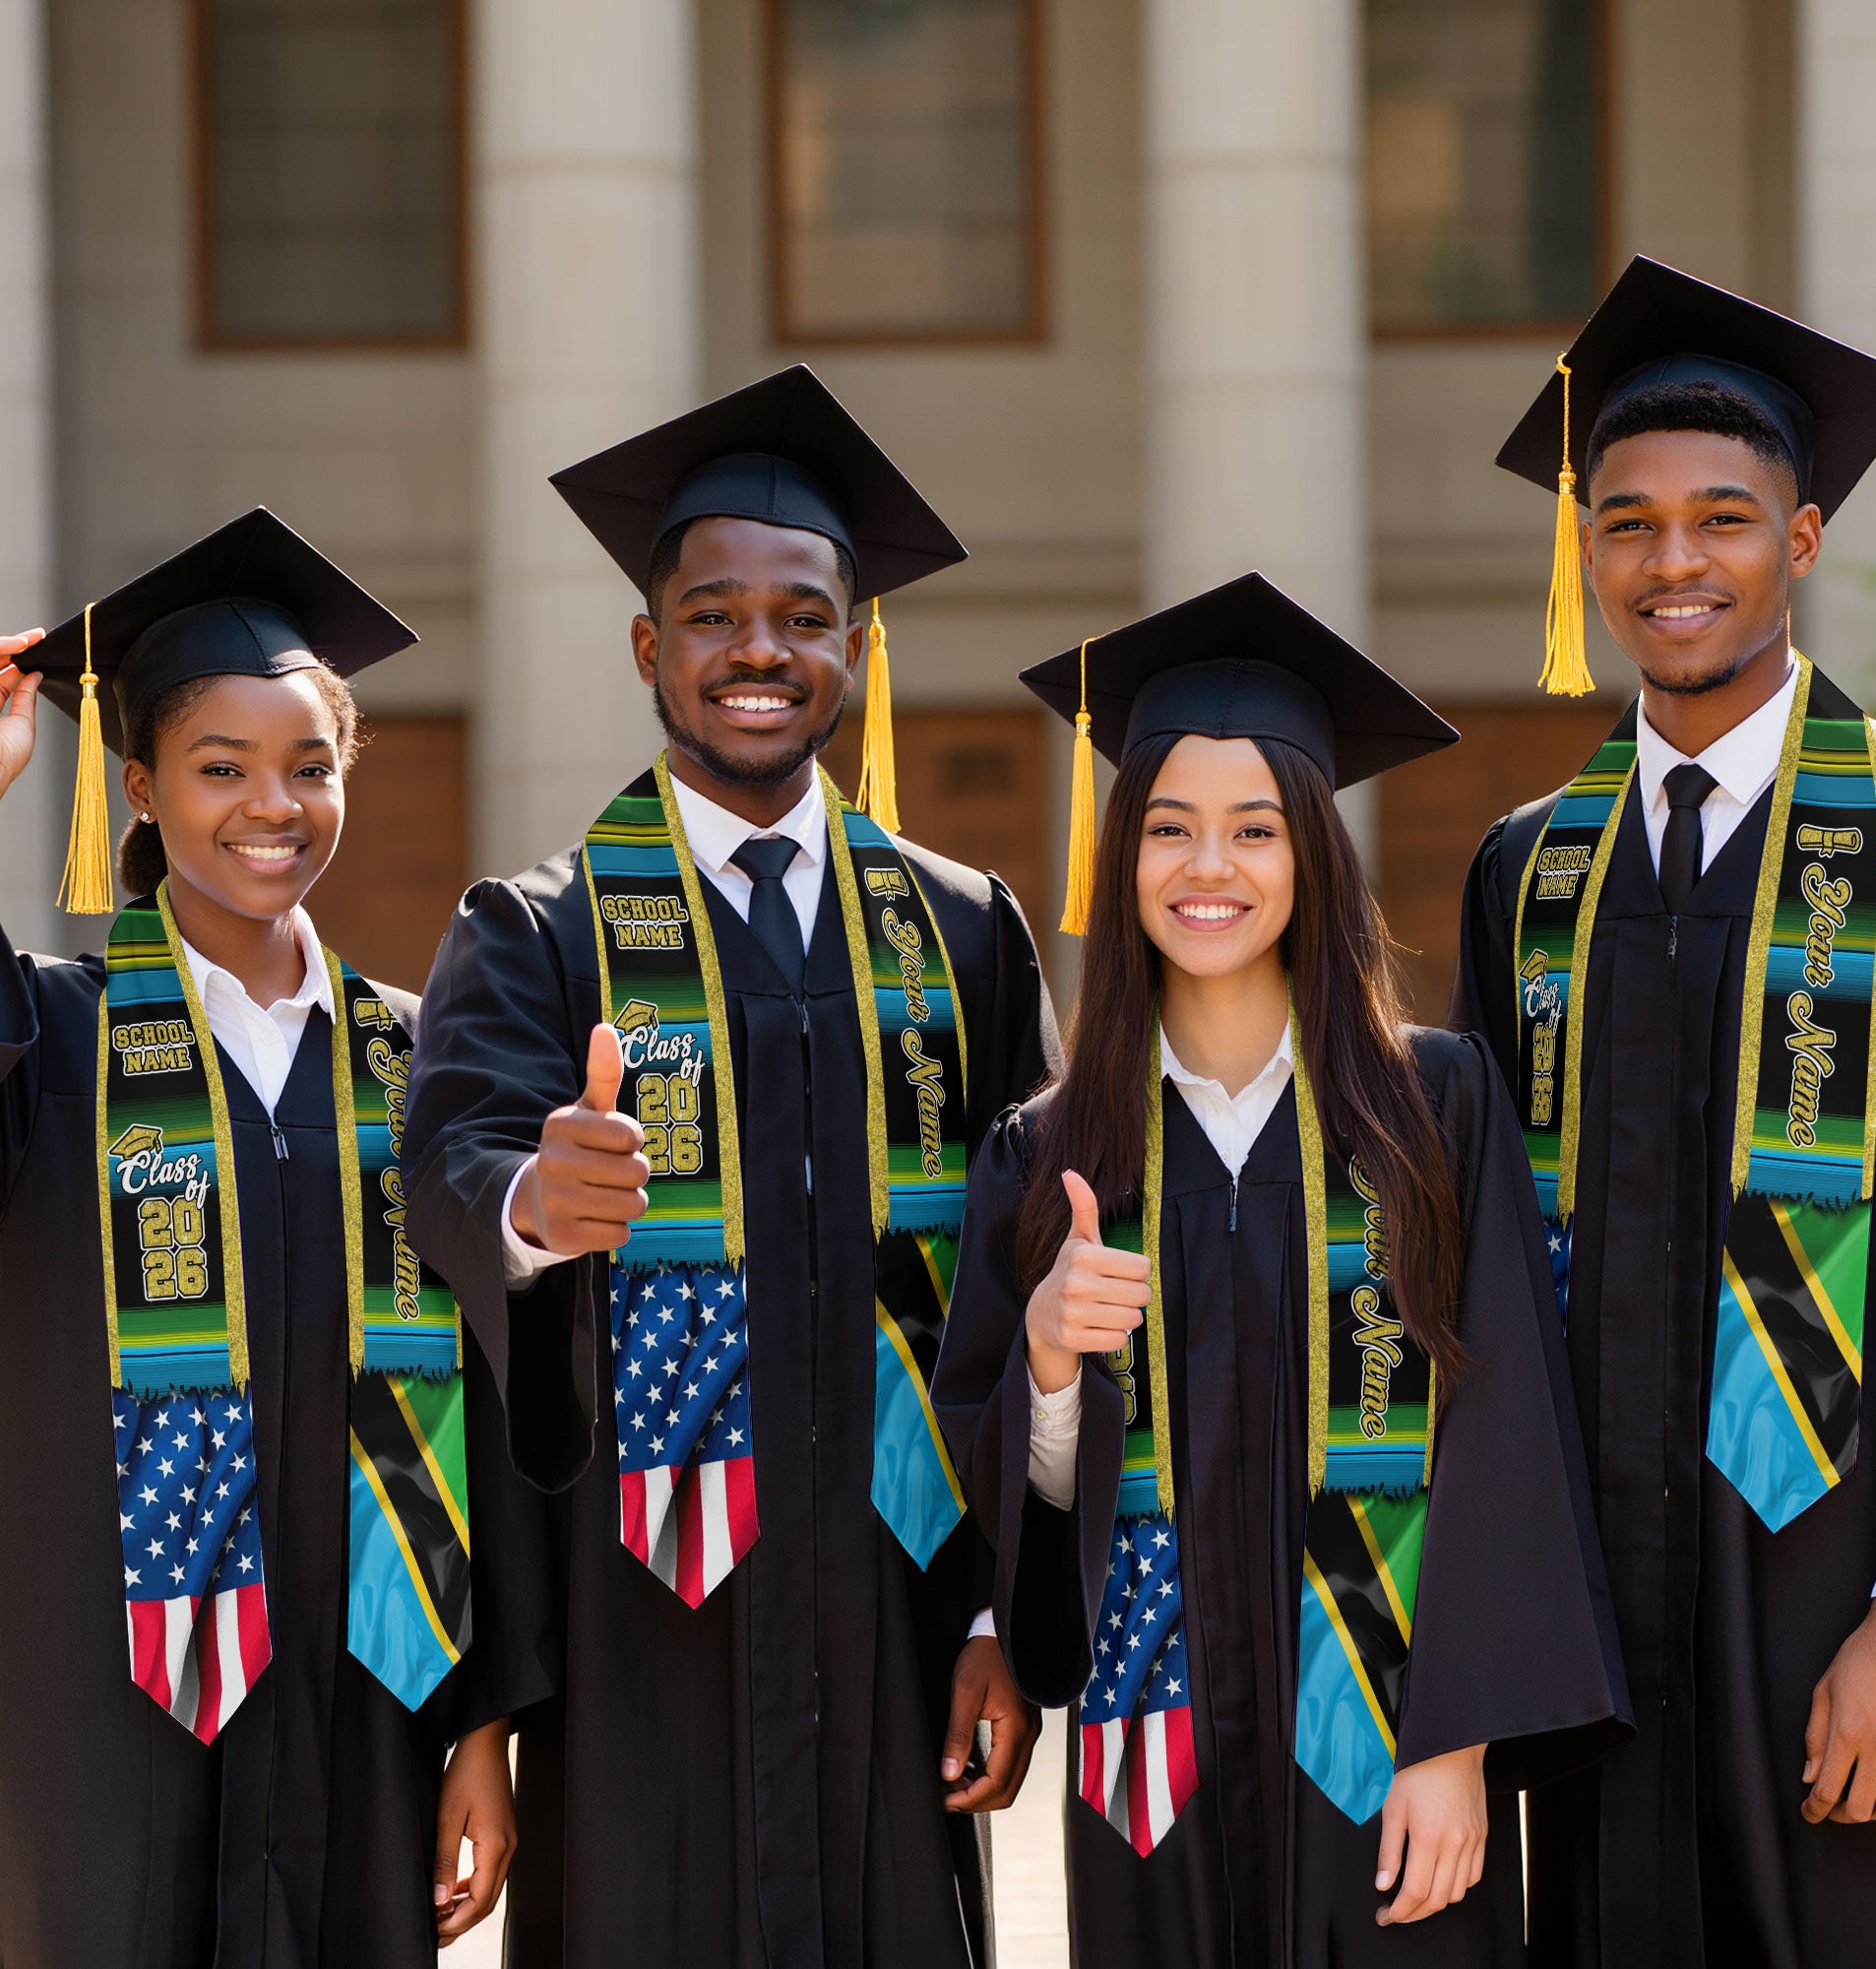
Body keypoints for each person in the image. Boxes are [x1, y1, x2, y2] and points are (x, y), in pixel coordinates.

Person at [401, 365, 1059, 1966]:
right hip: (640, 1631)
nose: (759, 650)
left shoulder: (961, 932)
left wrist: (1001, 1610)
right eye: (712, 616)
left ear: (857, 647)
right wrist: (532, 1204)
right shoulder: (539, 932)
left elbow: (1035, 1273)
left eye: (803, 617)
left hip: (900, 1608)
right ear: (650, 647)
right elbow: (449, 1165)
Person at [933, 572, 1629, 1966]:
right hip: (1152, 1758)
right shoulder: (1051, 1151)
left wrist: (1457, 1742)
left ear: (1312, 854)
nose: (1211, 868)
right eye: (1169, 828)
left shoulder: (1436, 1109)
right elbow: (1010, 1506)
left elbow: (1507, 1429)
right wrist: (1051, 1366)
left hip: (1387, 1751)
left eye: (1254, 829)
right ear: (1121, 857)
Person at [1454, 256, 1876, 1969]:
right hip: (1593, 1597)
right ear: (1586, 553)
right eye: (1629, 523)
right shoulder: (1532, 871)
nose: (1673, 561)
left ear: (1801, 541)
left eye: (1724, 519)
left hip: (1839, 1574)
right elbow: (1479, 1257)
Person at [0, 508, 547, 1968]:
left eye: (310, 766)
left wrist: (482, 1728)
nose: (272, 805)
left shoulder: (424, 1063)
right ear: (138, 786)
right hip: (98, 1705)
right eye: (220, 767)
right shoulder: (48, 1041)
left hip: (367, 1690)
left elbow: (495, 1405)